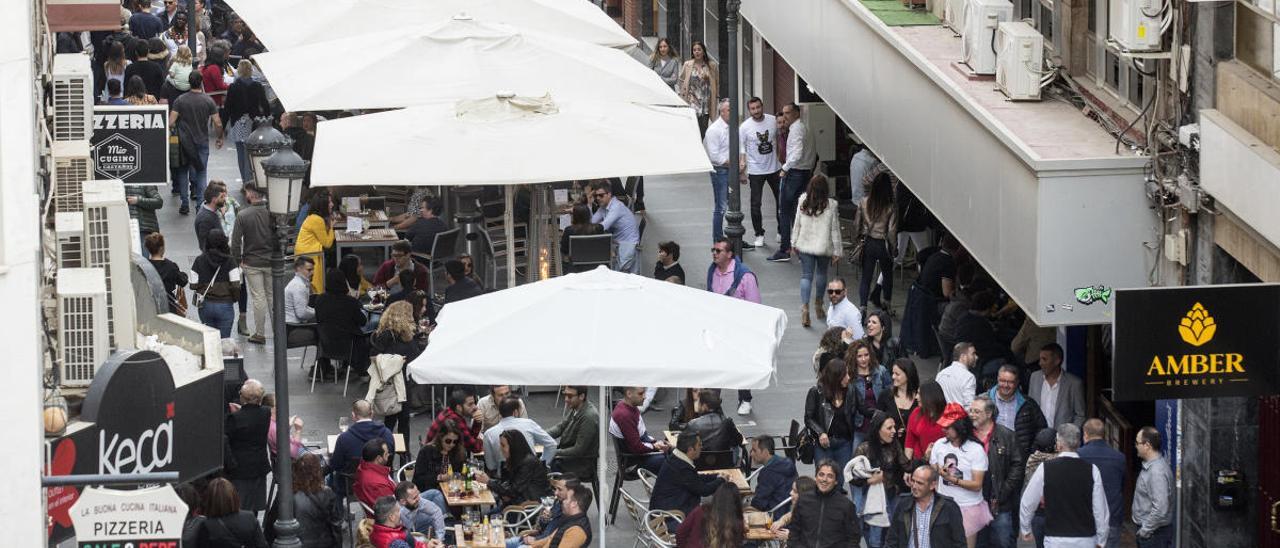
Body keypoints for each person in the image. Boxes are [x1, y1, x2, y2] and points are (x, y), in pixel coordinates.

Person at [1019, 424, 1110, 548]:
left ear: (1059, 444)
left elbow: (1028, 502)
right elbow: (1100, 510)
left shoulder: (1045, 468)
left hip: (1055, 539)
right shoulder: (1092, 470)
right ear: (1079, 443)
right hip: (1085, 539)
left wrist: (1026, 529)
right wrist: (1101, 539)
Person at [706, 237, 760, 414]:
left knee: (740, 364)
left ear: (729, 254)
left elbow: (755, 306)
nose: (714, 253)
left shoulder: (745, 276)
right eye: (713, 250)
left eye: (718, 251)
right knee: (716, 364)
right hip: (718, 328)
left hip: (739, 329)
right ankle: (713, 403)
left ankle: (745, 399)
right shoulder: (712, 271)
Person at [929, 403, 990, 548]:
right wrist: (938, 470)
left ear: (960, 426)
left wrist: (952, 479)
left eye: (948, 427)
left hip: (967, 507)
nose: (944, 430)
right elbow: (933, 466)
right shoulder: (939, 445)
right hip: (942, 505)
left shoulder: (975, 450)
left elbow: (977, 485)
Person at [850, 413, 911, 548]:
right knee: (875, 539)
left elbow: (906, 464)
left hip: (891, 494)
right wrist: (870, 480)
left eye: (894, 427)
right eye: (889, 428)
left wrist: (925, 458)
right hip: (872, 498)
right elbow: (852, 477)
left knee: (894, 534)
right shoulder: (864, 448)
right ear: (878, 429)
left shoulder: (894, 445)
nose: (894, 431)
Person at [970, 395, 1022, 548]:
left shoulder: (1007, 435)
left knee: (1002, 542)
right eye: (971, 410)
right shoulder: (966, 435)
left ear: (989, 413)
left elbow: (1018, 466)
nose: (972, 414)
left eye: (977, 411)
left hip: (1000, 501)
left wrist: (1003, 491)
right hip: (974, 500)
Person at [768, 103, 818, 263]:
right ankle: (800, 246)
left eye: (788, 112)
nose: (785, 116)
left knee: (784, 210)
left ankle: (785, 249)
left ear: (797, 113)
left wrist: (784, 169)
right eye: (784, 113)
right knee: (799, 210)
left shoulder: (796, 129)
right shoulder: (805, 127)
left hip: (795, 172)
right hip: (805, 172)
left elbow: (796, 153)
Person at [791, 173, 843, 327]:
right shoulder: (831, 205)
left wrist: (793, 242)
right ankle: (819, 305)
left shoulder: (803, 201)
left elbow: (797, 223)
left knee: (806, 276)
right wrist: (837, 250)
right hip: (823, 246)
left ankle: (805, 307)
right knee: (821, 274)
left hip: (805, 245)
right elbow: (835, 230)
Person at [169, 70, 222, 215]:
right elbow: (217, 122)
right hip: (201, 141)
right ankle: (200, 204)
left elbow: (171, 121)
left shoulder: (180, 100)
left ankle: (185, 203)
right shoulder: (208, 100)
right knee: (201, 172)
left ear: (189, 82)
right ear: (201, 82)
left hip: (184, 142)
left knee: (182, 171)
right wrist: (219, 137)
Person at [902, 234, 961, 358]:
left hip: (922, 298)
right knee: (957, 311)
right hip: (933, 302)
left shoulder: (934, 256)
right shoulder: (947, 263)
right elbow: (947, 293)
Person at [264, 452, 340, 547]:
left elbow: (271, 526)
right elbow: (335, 526)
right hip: (322, 543)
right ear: (318, 471)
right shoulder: (327, 493)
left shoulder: (285, 493)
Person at [371, 301, 422, 443]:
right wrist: (395, 360)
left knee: (403, 420)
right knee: (391, 420)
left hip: (404, 383)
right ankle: (388, 451)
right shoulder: (387, 335)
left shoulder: (407, 334)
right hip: (393, 383)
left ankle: (403, 454)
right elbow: (374, 357)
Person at [883, 464, 967, 548]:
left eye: (920, 483)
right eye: (913, 481)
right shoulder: (903, 504)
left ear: (932, 485)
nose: (914, 486)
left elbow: (960, 543)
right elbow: (892, 540)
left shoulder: (949, 507)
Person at [230, 184, 272, 344]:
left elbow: (235, 243)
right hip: (270, 261)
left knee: (258, 297)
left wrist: (238, 260)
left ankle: (260, 333)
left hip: (251, 262)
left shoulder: (243, 215)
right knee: (271, 297)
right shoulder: (272, 213)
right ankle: (279, 331)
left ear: (251, 194)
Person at [739, 96, 781, 249]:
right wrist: (742, 168)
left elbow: (780, 137)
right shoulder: (744, 127)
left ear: (762, 106)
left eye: (758, 107)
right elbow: (741, 147)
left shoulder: (772, 120)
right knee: (755, 204)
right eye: (753, 108)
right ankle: (759, 234)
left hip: (774, 168)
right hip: (756, 170)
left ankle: (781, 231)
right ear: (749, 110)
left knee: (780, 200)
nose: (756, 111)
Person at [786, 459, 860, 547]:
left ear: (836, 481)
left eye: (830, 476)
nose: (824, 479)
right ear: (816, 477)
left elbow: (853, 538)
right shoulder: (803, 500)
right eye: (821, 475)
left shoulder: (846, 506)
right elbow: (794, 532)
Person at [805, 359, 855, 486]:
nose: (848, 378)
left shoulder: (850, 391)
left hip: (844, 443)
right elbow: (808, 418)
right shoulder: (816, 392)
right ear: (836, 377)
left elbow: (862, 409)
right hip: (823, 445)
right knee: (823, 481)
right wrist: (821, 432)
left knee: (840, 481)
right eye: (845, 375)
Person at [1077, 418, 1126, 548]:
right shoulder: (1119, 457)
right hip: (1112, 518)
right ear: (1103, 434)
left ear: (1085, 434)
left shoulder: (1078, 456)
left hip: (1083, 519)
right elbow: (1122, 486)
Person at [649, 431, 723, 516]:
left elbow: (694, 478)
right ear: (690, 449)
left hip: (664, 506)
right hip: (671, 516)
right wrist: (721, 480)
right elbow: (704, 490)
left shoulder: (676, 457)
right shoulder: (682, 467)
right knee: (715, 515)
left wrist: (715, 476)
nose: (701, 447)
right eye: (699, 445)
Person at [332, 400, 397, 496]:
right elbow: (390, 459)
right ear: (372, 413)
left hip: (351, 484)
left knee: (333, 477)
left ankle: (337, 509)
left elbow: (336, 465)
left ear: (353, 415)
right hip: (381, 482)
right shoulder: (387, 433)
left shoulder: (344, 438)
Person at [224, 380, 270, 512]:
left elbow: (227, 438)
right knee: (255, 504)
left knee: (241, 504)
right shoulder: (266, 413)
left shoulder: (234, 419)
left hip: (240, 468)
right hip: (259, 466)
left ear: (243, 397)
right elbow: (253, 415)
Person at [474, 430, 553, 507]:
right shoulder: (515, 460)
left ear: (513, 446)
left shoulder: (528, 463)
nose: (501, 449)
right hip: (519, 503)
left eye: (503, 445)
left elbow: (513, 490)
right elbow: (507, 485)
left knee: (489, 517)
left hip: (529, 508)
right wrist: (504, 493)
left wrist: (488, 481)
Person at [986, 365, 1048, 461]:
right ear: (997, 379)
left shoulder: (1028, 403)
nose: (1006, 385)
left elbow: (1041, 429)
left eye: (1010, 382)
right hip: (990, 456)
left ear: (1017, 383)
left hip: (1019, 457)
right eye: (1002, 381)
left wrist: (1031, 451)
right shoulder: (984, 401)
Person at [315, 268, 371, 373]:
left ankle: (346, 366)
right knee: (370, 335)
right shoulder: (350, 302)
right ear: (343, 282)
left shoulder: (320, 299)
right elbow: (363, 321)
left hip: (326, 344)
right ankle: (364, 371)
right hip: (350, 346)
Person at [856, 171, 899, 308]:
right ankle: (886, 304)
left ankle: (862, 307)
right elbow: (892, 231)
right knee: (887, 275)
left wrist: (859, 237)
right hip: (884, 244)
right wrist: (894, 248)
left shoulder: (864, 202)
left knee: (866, 278)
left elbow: (857, 223)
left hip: (869, 242)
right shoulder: (891, 207)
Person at [481, 396, 558, 472]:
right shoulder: (529, 424)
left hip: (504, 479)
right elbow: (552, 444)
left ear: (500, 412)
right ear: (515, 412)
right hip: (530, 476)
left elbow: (491, 466)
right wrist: (540, 465)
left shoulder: (488, 434)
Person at [224, 60, 270, 183]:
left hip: (238, 121)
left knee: (240, 151)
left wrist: (222, 127)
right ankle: (251, 177)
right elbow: (264, 104)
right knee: (251, 151)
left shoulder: (233, 87)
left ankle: (245, 180)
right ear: (250, 70)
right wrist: (267, 117)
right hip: (254, 122)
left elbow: (227, 107)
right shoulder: (257, 86)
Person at [190, 229, 241, 337]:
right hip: (225, 305)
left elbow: (193, 285)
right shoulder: (230, 261)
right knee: (224, 342)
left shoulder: (199, 260)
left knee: (210, 341)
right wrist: (234, 298)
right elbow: (236, 285)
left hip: (205, 305)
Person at [608, 386, 669, 473]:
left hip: (638, 456)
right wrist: (654, 446)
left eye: (644, 392)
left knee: (673, 455)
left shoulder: (629, 406)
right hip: (632, 464)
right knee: (674, 460)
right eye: (640, 393)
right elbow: (636, 447)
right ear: (629, 394)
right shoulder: (624, 415)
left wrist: (656, 443)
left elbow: (641, 437)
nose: (644, 396)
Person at [846, 339, 892, 452]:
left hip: (879, 424)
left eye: (866, 355)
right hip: (859, 425)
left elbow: (891, 395)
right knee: (856, 458)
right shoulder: (850, 376)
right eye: (859, 356)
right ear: (854, 358)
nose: (863, 359)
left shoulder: (880, 371)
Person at [411, 420, 466, 513]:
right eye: (448, 441)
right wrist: (439, 477)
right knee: (439, 498)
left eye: (455, 442)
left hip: (453, 493)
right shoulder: (427, 451)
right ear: (440, 437)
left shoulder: (458, 453)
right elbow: (418, 479)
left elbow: (462, 473)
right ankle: (447, 521)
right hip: (431, 493)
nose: (452, 444)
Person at [1132, 426, 1174, 548]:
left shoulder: (1156, 472)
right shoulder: (1153, 467)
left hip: (1154, 535)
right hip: (1153, 533)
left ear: (1147, 445)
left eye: (1137, 442)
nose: (1135, 446)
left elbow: (1160, 509)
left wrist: (1145, 531)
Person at [195, 478, 268, 547]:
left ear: (210, 500)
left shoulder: (207, 525)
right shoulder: (249, 518)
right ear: (234, 496)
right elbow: (262, 545)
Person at [1028, 343, 1086, 429]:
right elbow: (1029, 407)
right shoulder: (1034, 377)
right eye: (1040, 359)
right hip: (1037, 436)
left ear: (1057, 361)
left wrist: (1068, 434)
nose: (1040, 363)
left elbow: (1080, 415)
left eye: (1044, 359)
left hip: (1062, 439)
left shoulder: (1074, 383)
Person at [588, 179, 640, 273]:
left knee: (618, 276)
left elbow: (602, 227)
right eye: (596, 196)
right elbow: (591, 222)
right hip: (617, 243)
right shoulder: (604, 206)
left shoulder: (616, 207)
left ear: (609, 194)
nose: (598, 198)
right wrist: (589, 204)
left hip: (627, 245)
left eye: (601, 195)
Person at [547, 386, 599, 481]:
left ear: (582, 396)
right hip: (569, 458)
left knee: (541, 465)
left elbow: (579, 450)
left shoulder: (589, 417)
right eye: (565, 395)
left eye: (570, 396)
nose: (566, 399)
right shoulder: (577, 407)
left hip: (581, 465)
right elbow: (561, 427)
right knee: (539, 460)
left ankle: (554, 492)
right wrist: (541, 436)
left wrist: (554, 452)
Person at [676, 482, 745, 548]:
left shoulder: (700, 510)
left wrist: (684, 546)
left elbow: (680, 532)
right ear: (737, 502)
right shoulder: (737, 521)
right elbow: (738, 542)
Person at [702, 98, 733, 242]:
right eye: (728, 110)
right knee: (721, 206)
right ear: (721, 112)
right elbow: (714, 157)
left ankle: (731, 235)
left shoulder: (732, 126)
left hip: (730, 169)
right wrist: (733, 164)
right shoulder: (714, 130)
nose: (731, 113)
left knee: (732, 204)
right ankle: (718, 239)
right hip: (720, 170)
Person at [1022, 428, 1059, 547]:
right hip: (1056, 513)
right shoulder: (1059, 462)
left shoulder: (1032, 460)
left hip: (1038, 514)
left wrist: (1025, 527)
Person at [295, 191, 337, 294]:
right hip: (310, 254)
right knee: (313, 285)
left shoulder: (313, 217)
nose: (332, 204)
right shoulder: (317, 220)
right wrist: (332, 225)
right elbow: (327, 243)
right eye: (329, 202)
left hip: (307, 252)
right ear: (323, 205)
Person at [683, 389, 744, 460]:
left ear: (704, 406)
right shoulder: (727, 422)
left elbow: (683, 445)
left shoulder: (693, 424)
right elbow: (739, 440)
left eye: (699, 403)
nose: (697, 405)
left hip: (700, 464)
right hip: (724, 463)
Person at [527, 485, 593, 548]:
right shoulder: (569, 519)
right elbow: (550, 539)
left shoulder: (577, 530)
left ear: (574, 504)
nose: (562, 501)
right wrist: (531, 546)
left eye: (566, 499)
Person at [748, 436, 798, 518]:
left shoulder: (767, 473)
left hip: (772, 515)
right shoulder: (788, 462)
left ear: (765, 452)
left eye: (754, 450)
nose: (751, 454)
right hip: (789, 513)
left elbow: (759, 503)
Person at [677, 40, 718, 136]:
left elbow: (716, 83)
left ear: (703, 51)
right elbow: (681, 79)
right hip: (692, 101)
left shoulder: (712, 65)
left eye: (699, 49)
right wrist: (683, 92)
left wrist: (708, 79)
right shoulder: (688, 65)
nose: (697, 52)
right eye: (694, 50)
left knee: (703, 130)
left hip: (705, 103)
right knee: (693, 130)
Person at [876, 358, 919, 446]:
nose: (893, 377)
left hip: (912, 447)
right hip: (889, 447)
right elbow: (877, 422)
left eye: (897, 374)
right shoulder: (885, 395)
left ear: (908, 375)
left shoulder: (919, 398)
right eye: (893, 373)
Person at [426, 389, 484, 453]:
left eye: (474, 403)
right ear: (458, 407)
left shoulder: (450, 411)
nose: (475, 407)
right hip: (435, 458)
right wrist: (484, 440)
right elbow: (475, 448)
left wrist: (477, 421)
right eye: (470, 404)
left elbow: (470, 436)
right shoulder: (454, 419)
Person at [366, 495, 435, 548]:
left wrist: (427, 546)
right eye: (398, 511)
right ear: (392, 517)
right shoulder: (396, 543)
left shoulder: (376, 529)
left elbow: (413, 543)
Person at [144, 233, 188, 314]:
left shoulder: (145, 266)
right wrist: (184, 274)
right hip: (168, 306)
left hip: (151, 306)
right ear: (161, 248)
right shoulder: (170, 266)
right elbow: (182, 281)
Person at [904, 381, 947, 461]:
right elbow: (909, 443)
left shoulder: (948, 415)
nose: (916, 397)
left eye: (919, 394)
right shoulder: (916, 412)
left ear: (930, 396)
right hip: (921, 462)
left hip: (943, 462)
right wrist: (907, 468)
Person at [354, 438, 397, 512]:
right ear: (379, 459)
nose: (389, 455)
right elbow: (392, 509)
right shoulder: (378, 485)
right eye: (386, 454)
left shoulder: (363, 467)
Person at [560, 203, 604, 273]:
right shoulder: (599, 228)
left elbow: (564, 250)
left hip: (576, 267)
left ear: (575, 216)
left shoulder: (569, 230)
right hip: (596, 265)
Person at [194, 184, 225, 251]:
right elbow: (204, 245)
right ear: (214, 200)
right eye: (222, 197)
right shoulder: (205, 219)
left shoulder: (212, 211)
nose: (224, 199)